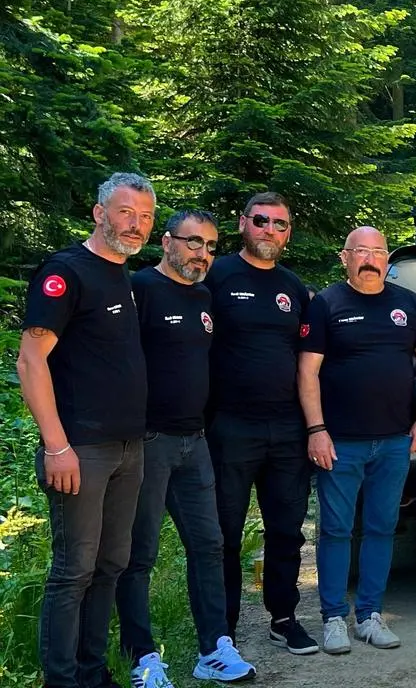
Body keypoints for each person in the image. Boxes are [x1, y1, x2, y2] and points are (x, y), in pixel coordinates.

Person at [18, 172, 154, 688]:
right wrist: (57, 446)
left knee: (111, 563)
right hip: (81, 448)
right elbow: (31, 361)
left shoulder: (123, 275)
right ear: (99, 213)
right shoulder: (66, 272)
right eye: (125, 212)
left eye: (145, 216)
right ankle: (62, 680)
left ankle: (93, 674)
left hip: (129, 446)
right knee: (74, 570)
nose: (136, 224)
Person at [115, 210, 257, 686]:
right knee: (140, 553)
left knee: (210, 545)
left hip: (195, 441)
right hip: (148, 441)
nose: (202, 253)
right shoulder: (139, 288)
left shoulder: (203, 295)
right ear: (166, 241)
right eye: (193, 242)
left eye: (211, 246)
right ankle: (142, 658)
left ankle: (213, 649)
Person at [299, 227, 416, 654]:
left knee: (382, 528)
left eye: (377, 251)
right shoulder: (326, 303)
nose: (370, 259)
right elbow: (307, 372)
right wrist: (316, 430)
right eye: (361, 251)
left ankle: (369, 615)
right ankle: (333, 618)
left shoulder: (408, 303)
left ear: (387, 259)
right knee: (336, 530)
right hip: (340, 442)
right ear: (345, 257)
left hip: (394, 440)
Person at [205, 193, 318, 654]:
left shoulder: (294, 287)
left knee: (287, 530)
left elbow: (312, 354)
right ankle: (223, 630)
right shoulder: (216, 275)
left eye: (280, 224)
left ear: (288, 233)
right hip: (230, 426)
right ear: (242, 223)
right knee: (225, 533)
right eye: (261, 220)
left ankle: (284, 618)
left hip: (287, 428)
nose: (269, 230)